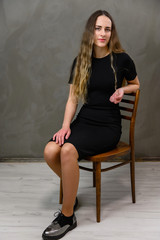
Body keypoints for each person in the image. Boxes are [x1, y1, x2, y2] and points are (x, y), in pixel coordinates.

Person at [42, 9, 140, 240]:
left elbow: (137, 85)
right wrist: (66, 126)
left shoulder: (122, 59)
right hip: (85, 120)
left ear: (112, 33)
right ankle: (71, 195)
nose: (103, 33)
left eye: (107, 29)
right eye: (98, 28)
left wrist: (122, 89)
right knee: (50, 151)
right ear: (91, 31)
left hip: (108, 126)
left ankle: (67, 217)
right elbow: (72, 99)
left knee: (67, 150)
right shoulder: (81, 61)